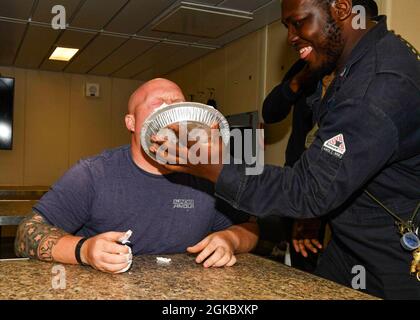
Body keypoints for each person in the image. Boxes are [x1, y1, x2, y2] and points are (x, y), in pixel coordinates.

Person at [151, 0, 420, 299]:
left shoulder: (377, 86)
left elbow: (307, 189)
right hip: (348, 245)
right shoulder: (350, 65)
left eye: (298, 22)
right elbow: (340, 164)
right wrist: (315, 210)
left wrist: (212, 167)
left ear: (342, 9)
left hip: (395, 254)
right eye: (287, 27)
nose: (291, 36)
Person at [14, 79, 259, 274]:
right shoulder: (93, 174)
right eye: (159, 103)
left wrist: (230, 239)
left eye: (178, 104)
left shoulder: (205, 175)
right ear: (131, 122)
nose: (171, 111)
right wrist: (84, 250)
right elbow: (27, 233)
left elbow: (250, 227)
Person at [261, 0, 380, 272]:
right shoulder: (310, 60)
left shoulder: (371, 71)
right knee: (305, 270)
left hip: (346, 191)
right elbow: (270, 112)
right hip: (302, 182)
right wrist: (302, 78)